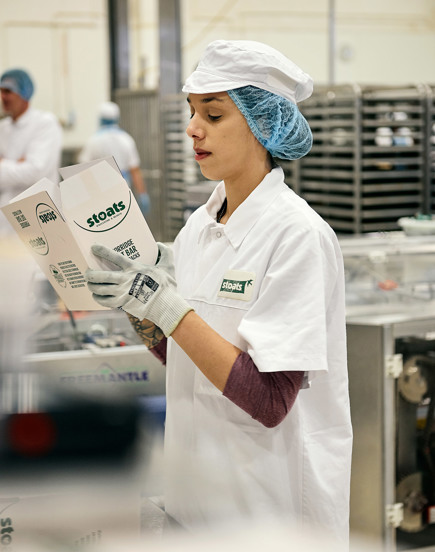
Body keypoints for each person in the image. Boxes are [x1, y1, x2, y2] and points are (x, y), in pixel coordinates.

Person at [85, 40, 353, 545]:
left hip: (268, 511)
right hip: (196, 501)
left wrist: (164, 304)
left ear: (261, 125)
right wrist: (137, 306)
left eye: (214, 113)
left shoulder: (297, 235)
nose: (192, 128)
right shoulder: (199, 228)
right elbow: (182, 355)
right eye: (192, 111)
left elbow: (271, 400)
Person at [0, 68, 62, 233]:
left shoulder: (45, 123)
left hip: (38, 217)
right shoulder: (3, 128)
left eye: (8, 91)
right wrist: (17, 164)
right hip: (6, 220)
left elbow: (35, 172)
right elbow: (25, 171)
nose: (2, 96)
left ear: (24, 93)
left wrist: (4, 163)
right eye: (1, 91)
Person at [78, 101, 150, 215]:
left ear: (100, 118)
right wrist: (142, 194)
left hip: (99, 192)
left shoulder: (93, 142)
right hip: (123, 190)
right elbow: (135, 171)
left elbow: (82, 172)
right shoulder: (127, 140)